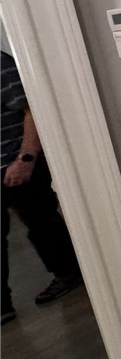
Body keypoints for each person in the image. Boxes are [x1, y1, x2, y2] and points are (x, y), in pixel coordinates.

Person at [1, 49, 82, 325]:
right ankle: (2, 305)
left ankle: (69, 273)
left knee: (40, 222)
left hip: (16, 162)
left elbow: (31, 109)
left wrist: (26, 158)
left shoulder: (1, 64)